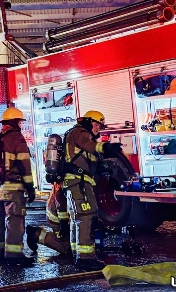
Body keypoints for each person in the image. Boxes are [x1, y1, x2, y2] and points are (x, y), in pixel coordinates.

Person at [60, 110, 120, 270]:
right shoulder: (80, 132)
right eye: (96, 124)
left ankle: (77, 254)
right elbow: (91, 146)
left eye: (100, 126)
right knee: (86, 216)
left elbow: (90, 160)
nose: (98, 128)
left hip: (76, 181)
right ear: (88, 121)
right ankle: (85, 257)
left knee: (78, 218)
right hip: (78, 181)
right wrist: (107, 147)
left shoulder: (79, 134)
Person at [0, 107, 36, 267]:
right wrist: (30, 187)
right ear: (14, 122)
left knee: (0, 220)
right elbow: (24, 164)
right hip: (13, 187)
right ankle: (13, 256)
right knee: (15, 220)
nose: (20, 125)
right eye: (19, 122)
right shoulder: (17, 138)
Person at [26, 182, 71, 256]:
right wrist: (64, 222)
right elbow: (61, 202)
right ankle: (35, 234)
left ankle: (35, 233)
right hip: (59, 218)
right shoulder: (65, 181)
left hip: (60, 216)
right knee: (66, 248)